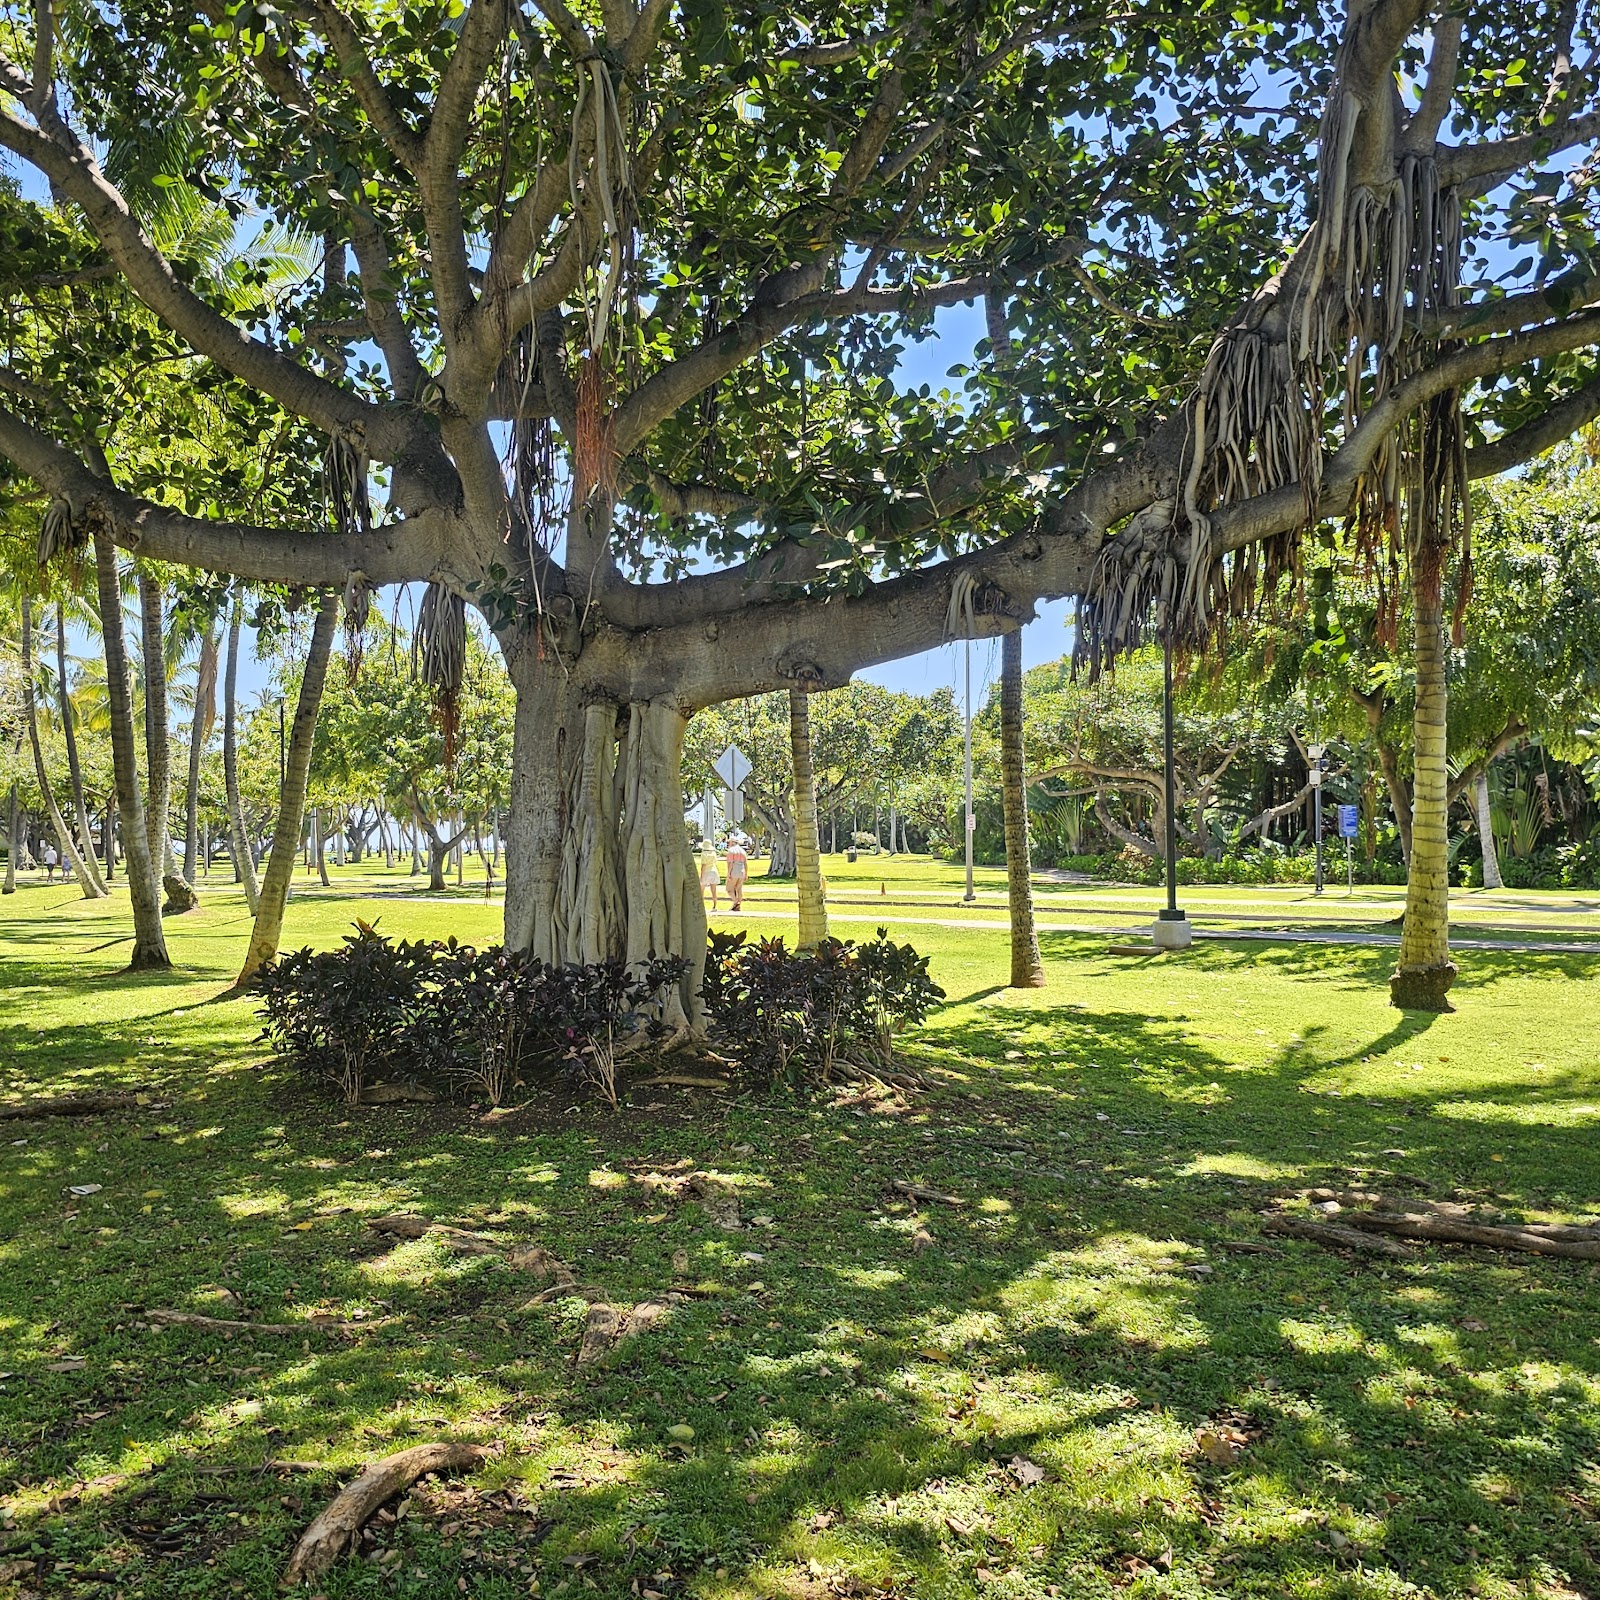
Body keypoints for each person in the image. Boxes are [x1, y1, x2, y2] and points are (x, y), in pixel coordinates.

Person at [725, 829, 749, 911]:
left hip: (734, 871)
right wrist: (746, 873)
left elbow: (730, 863)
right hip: (742, 871)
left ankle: (736, 902)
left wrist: (728, 873)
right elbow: (746, 863)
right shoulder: (743, 851)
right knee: (739, 889)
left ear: (732, 842)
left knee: (729, 889)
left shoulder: (731, 851)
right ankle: (738, 905)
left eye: (729, 842)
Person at [697, 837, 721, 909]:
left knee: (702, 890)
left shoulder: (704, 854)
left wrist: (701, 876)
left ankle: (701, 907)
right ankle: (714, 906)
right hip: (714, 871)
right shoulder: (713, 853)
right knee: (713, 891)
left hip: (706, 872)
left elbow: (703, 866)